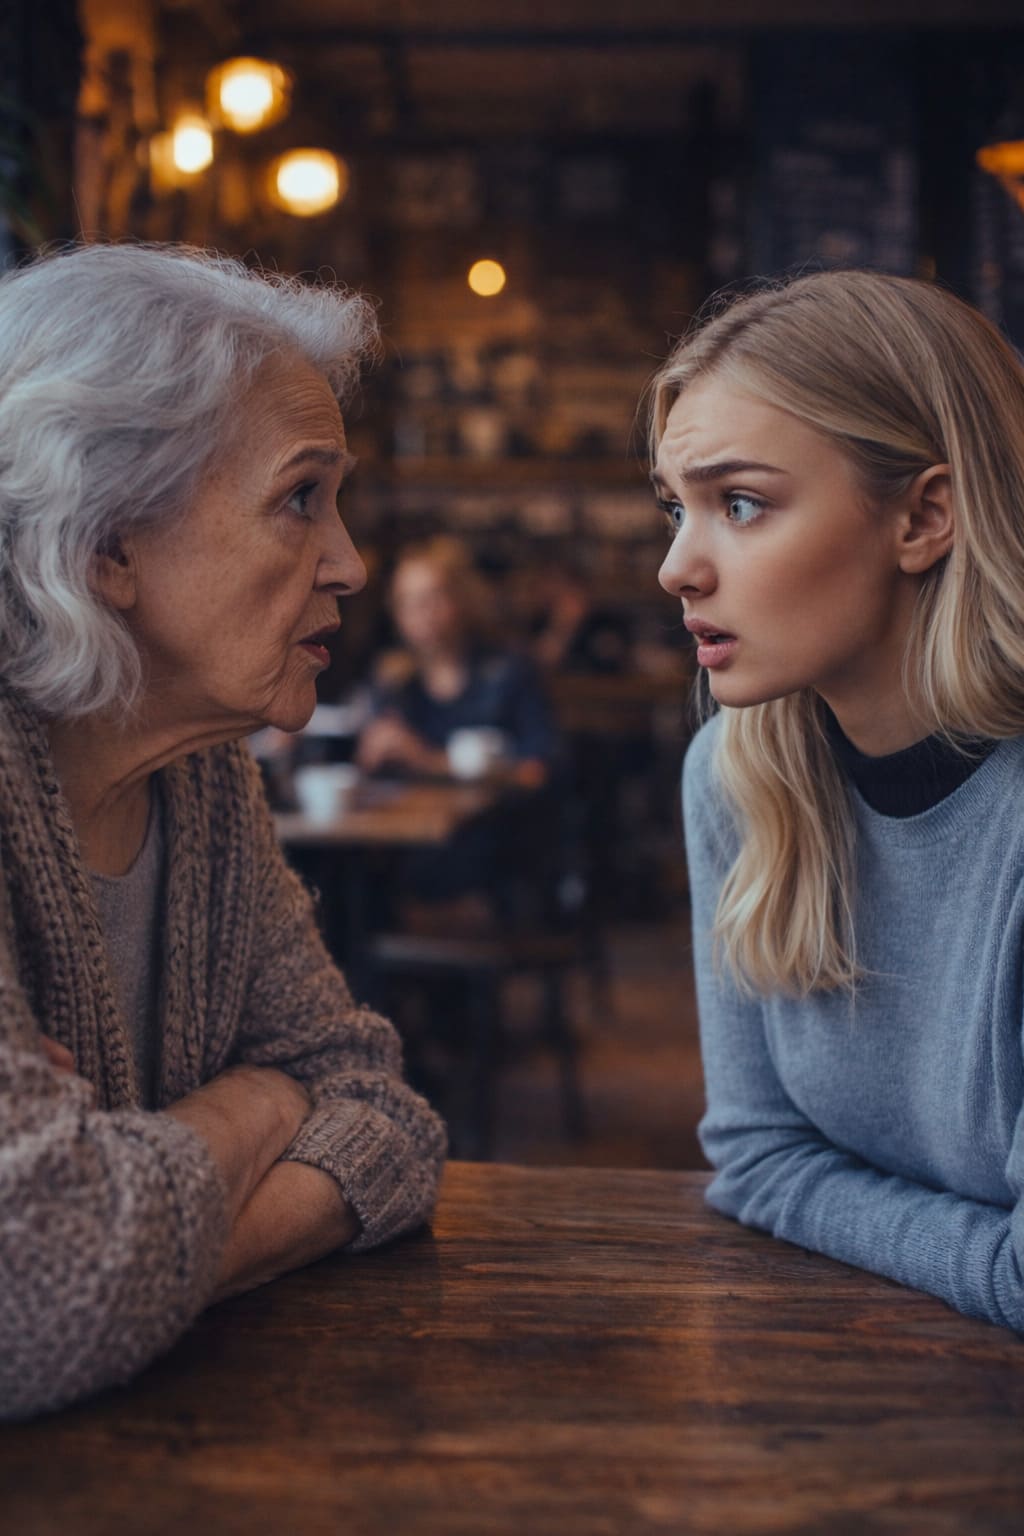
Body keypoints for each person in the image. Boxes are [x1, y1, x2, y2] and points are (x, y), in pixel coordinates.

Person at [0, 243, 446, 1421]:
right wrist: (263, 1106)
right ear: (104, 545)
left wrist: (139, 1221)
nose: (349, 563)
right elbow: (36, 1286)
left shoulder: (202, 776)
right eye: (300, 497)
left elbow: (383, 1109)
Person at [653, 268, 1024, 1332]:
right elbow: (755, 1156)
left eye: (740, 504)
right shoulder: (739, 773)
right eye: (676, 509)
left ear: (923, 517)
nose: (679, 565)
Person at [356, 536, 556, 790]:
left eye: (433, 597)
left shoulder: (508, 673)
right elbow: (367, 769)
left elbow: (537, 772)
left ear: (462, 598)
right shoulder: (394, 681)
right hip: (417, 824)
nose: (421, 613)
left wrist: (430, 761)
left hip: (492, 825)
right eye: (407, 601)